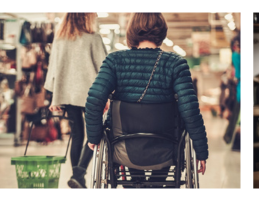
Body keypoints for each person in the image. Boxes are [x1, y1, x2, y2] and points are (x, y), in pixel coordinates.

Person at [85, 13, 208, 183]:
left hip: (123, 148)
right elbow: (190, 111)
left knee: (121, 137)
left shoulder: (114, 61)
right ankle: (156, 185)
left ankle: (137, 184)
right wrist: (201, 151)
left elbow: (94, 99)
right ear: (162, 32)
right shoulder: (176, 64)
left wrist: (93, 136)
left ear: (132, 31)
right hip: (167, 148)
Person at [44, 12, 107, 188]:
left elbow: (53, 68)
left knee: (77, 135)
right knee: (96, 133)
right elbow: (104, 67)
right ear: (86, 17)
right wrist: (108, 93)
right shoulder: (93, 38)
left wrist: (53, 96)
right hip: (91, 93)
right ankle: (79, 174)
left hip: (67, 93)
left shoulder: (59, 39)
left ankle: (77, 177)